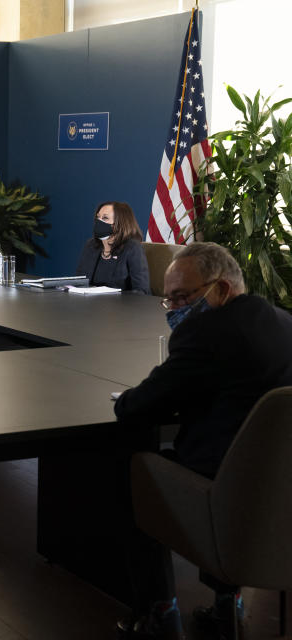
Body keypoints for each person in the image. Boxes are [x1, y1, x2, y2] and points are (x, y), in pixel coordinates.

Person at [114, 242, 292, 639]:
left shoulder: (206, 332)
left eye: (183, 297)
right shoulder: (281, 321)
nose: (176, 309)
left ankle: (159, 612)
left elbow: (134, 408)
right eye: (169, 299)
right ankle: (227, 604)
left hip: (224, 497)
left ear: (222, 289)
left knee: (135, 469)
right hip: (280, 498)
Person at [75, 201, 150, 293]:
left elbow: (142, 290)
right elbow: (79, 283)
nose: (99, 221)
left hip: (120, 305)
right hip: (90, 304)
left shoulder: (132, 248)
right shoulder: (91, 245)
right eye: (98, 217)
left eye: (105, 218)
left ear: (120, 223)